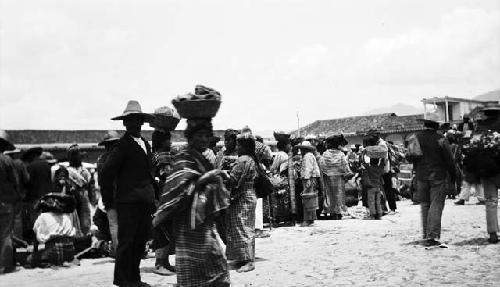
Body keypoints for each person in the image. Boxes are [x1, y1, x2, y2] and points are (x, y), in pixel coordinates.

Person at [154, 118, 231, 287]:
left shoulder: (203, 158)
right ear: (190, 137)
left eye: (206, 135)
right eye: (199, 135)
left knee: (218, 270)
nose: (204, 139)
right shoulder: (183, 158)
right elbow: (180, 190)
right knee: (193, 273)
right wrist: (207, 178)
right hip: (187, 225)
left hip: (205, 223)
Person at [100, 100, 157, 287]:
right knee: (127, 242)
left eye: (137, 120)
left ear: (142, 122)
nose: (134, 124)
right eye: (130, 121)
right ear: (125, 123)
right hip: (128, 202)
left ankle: (135, 279)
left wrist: (153, 196)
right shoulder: (122, 145)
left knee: (140, 242)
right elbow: (106, 173)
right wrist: (111, 201)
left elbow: (149, 173)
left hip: (145, 201)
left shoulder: (146, 144)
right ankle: (123, 281)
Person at [408, 118, 456, 247]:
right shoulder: (441, 139)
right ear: (437, 126)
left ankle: (426, 233)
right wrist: (453, 177)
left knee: (424, 205)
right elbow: (449, 160)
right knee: (436, 205)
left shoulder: (415, 137)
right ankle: (432, 235)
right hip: (438, 176)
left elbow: (409, 157)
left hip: (421, 176)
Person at [149, 106, 179, 276]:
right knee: (163, 230)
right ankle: (160, 263)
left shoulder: (155, 155)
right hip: (163, 198)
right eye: (169, 139)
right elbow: (166, 177)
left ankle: (165, 262)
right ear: (162, 141)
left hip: (159, 197)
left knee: (165, 230)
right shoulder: (163, 156)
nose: (171, 142)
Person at [225, 131, 258, 272]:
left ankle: (249, 261)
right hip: (249, 195)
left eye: (238, 144)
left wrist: (222, 174)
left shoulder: (242, 160)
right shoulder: (251, 159)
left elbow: (233, 180)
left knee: (243, 228)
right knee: (244, 226)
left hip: (242, 197)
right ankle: (243, 258)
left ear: (243, 146)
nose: (236, 147)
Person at [96, 130, 121, 257]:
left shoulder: (100, 160)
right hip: (123, 195)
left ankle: (118, 251)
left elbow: (100, 181)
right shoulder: (121, 158)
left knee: (114, 224)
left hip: (108, 196)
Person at [23, 147, 52, 245]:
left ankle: (37, 242)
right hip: (47, 197)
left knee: (35, 221)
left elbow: (27, 182)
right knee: (46, 220)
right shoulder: (46, 165)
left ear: (32, 156)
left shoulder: (30, 167)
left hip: (35, 198)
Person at [320, 135, 353, 220]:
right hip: (339, 177)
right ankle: (338, 212)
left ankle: (331, 211)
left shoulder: (325, 154)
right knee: (339, 194)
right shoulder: (341, 154)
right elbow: (345, 165)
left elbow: (322, 166)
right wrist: (348, 173)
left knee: (329, 194)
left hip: (328, 177)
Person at [0, 131, 20, 274]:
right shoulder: (6, 161)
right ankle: (4, 265)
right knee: (6, 233)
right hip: (5, 203)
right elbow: (16, 182)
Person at [66, 144, 92, 235]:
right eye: (76, 155)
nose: (79, 157)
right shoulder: (67, 171)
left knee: (85, 219)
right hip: (72, 198)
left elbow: (88, 185)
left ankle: (85, 237)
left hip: (83, 197)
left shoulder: (85, 170)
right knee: (73, 220)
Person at [297, 141, 320, 226]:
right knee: (311, 198)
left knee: (307, 198)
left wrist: (307, 180)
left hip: (308, 178)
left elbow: (308, 169)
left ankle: (307, 220)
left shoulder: (307, 157)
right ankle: (311, 219)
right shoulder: (310, 155)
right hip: (311, 178)